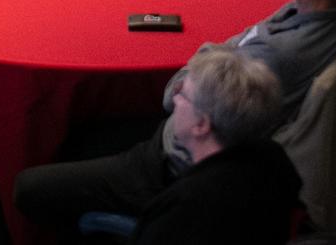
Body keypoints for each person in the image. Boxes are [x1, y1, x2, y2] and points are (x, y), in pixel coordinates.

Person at [15, 0, 336, 232]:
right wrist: (213, 60)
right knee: (84, 136)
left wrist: (204, 60)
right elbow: (222, 57)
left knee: (29, 188)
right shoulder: (324, 18)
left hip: (176, 165)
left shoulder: (278, 54)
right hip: (215, 139)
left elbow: (173, 95)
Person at [130, 49, 303, 245]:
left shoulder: (182, 210)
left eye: (182, 94)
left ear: (201, 125)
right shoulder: (275, 157)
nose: (175, 98)